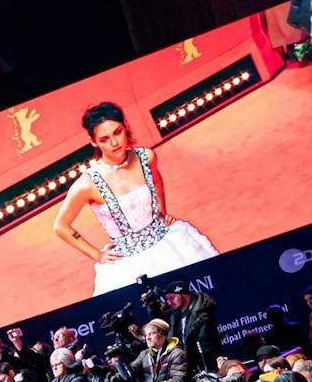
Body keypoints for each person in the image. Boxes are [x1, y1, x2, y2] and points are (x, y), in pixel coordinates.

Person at [52, 101, 217, 297]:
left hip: (170, 243)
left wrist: (161, 213)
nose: (114, 143)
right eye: (104, 139)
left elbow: (156, 181)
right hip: (129, 264)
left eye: (117, 132)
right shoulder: (88, 183)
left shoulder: (146, 156)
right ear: (93, 142)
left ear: (125, 127)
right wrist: (97, 254)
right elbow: (61, 226)